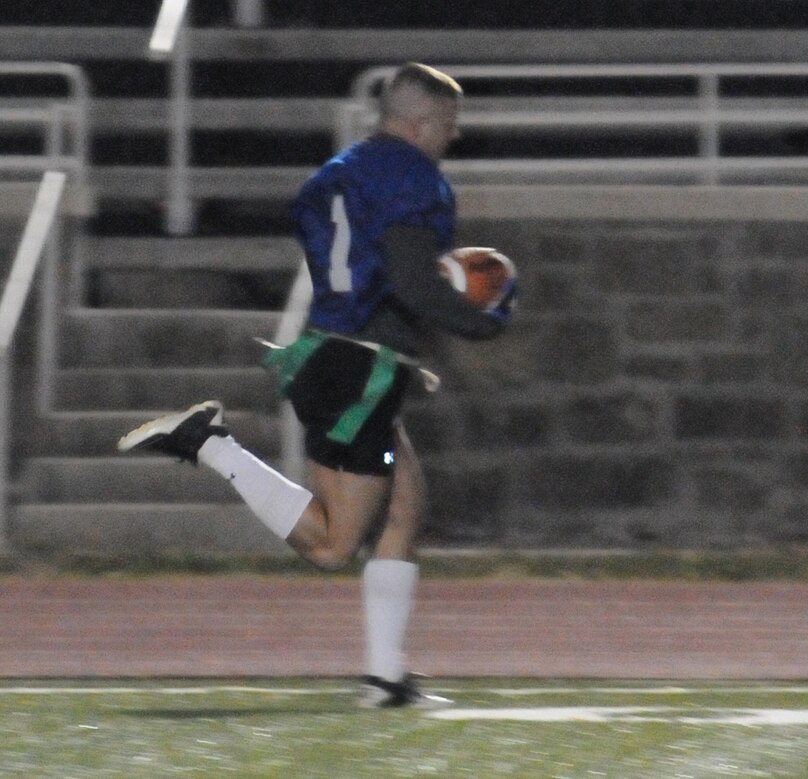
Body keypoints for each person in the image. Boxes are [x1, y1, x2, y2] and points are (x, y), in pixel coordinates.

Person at [117, 63, 515, 708]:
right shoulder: (414, 178)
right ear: (416, 124)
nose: (452, 139)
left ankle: (387, 680)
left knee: (406, 507)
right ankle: (210, 443)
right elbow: (412, 283)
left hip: (329, 355)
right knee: (334, 546)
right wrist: (478, 322)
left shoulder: (338, 172)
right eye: (446, 126)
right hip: (362, 368)